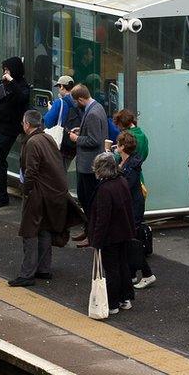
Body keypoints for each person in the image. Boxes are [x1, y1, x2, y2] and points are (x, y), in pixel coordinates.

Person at [10, 110, 70, 288]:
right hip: (50, 193)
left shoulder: (32, 142)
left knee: (29, 232)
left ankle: (27, 273)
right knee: (44, 229)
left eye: (23, 122)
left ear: (27, 124)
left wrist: (26, 190)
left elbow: (31, 171)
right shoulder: (47, 138)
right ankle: (43, 268)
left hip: (36, 194)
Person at [86, 152, 135, 314]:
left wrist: (96, 241)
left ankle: (113, 303)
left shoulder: (104, 189)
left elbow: (102, 218)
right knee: (123, 265)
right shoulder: (121, 182)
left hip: (110, 236)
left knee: (111, 269)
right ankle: (125, 298)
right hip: (124, 231)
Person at [0, 56, 31, 208]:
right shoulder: (3, 82)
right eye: (4, 70)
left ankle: (1, 196)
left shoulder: (21, 85)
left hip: (8, 129)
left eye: (8, 70)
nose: (5, 73)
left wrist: (11, 81)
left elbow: (22, 97)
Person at [115, 132, 154, 290]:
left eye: (118, 144)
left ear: (123, 147)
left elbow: (126, 185)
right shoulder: (127, 161)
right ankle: (131, 273)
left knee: (131, 241)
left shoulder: (130, 165)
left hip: (133, 206)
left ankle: (147, 273)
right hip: (132, 205)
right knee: (130, 239)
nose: (116, 146)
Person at [69, 84, 111, 216]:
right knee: (87, 197)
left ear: (80, 99)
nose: (76, 105)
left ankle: (90, 231)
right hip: (92, 163)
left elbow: (94, 140)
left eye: (76, 102)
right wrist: (81, 131)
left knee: (88, 199)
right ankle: (89, 229)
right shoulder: (97, 107)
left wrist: (77, 138)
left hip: (89, 165)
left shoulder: (92, 113)